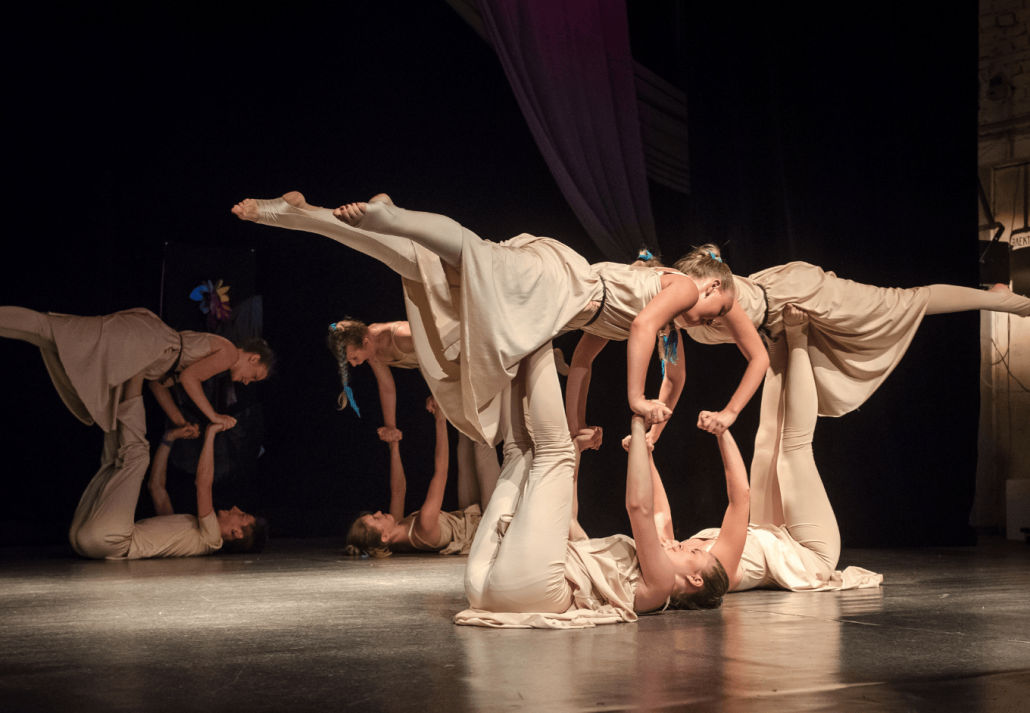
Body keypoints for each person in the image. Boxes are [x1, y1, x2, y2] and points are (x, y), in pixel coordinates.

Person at [232, 193, 750, 445]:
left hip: (554, 306)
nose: (711, 322)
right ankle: (394, 217)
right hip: (562, 284)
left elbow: (594, 366)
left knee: (428, 270)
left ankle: (303, 214)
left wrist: (637, 431)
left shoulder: (664, 322)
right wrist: (637, 399)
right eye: (719, 309)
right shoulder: (676, 290)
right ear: (709, 283)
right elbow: (639, 333)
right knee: (471, 255)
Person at [453, 340, 743, 628]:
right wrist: (577, 454)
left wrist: (639, 423)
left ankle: (535, 336)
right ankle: (522, 345)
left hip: (530, 587)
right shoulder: (627, 572)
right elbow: (568, 523)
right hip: (485, 590)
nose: (682, 544)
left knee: (554, 450)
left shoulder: (663, 584)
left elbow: (639, 506)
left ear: (695, 579)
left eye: (694, 553)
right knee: (519, 451)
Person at [642, 306, 882, 608]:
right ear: (695, 579)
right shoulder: (721, 570)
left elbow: (657, 512)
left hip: (767, 534)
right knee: (792, 451)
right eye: (686, 553)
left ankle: (775, 344)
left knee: (767, 441)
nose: (673, 547)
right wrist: (722, 433)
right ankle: (797, 338)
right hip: (809, 555)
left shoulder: (676, 555)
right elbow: (741, 497)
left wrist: (646, 453)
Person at [68, 373, 268, 559]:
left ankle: (136, 371)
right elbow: (157, 489)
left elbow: (203, 484)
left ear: (236, 533)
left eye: (241, 515)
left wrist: (211, 434)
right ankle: (121, 380)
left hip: (112, 540)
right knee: (114, 462)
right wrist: (168, 439)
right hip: (86, 541)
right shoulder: (192, 532)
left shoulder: (213, 540)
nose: (235, 507)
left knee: (136, 454)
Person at [0, 306, 273, 433]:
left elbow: (157, 383)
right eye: (255, 376)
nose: (248, 382)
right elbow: (191, 379)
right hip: (142, 339)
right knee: (50, 329)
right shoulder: (226, 353)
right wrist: (214, 415)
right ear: (253, 359)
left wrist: (179, 421)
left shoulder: (198, 357)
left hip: (142, 343)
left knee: (50, 336)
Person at [327, 318, 500, 509]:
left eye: (353, 358)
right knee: (464, 448)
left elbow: (444, 351)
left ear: (365, 342)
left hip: (467, 366)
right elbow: (386, 387)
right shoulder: (372, 350)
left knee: (481, 445)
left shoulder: (401, 336)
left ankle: (495, 516)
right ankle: (473, 520)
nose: (354, 364)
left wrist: (438, 393)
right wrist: (391, 428)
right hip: (452, 379)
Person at [344, 396, 482, 556]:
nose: (379, 512)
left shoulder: (396, 532)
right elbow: (441, 472)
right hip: (483, 520)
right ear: (385, 536)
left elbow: (398, 490)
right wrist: (440, 420)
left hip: (467, 514)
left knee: (467, 443)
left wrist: (394, 446)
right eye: (376, 519)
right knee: (480, 446)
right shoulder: (423, 527)